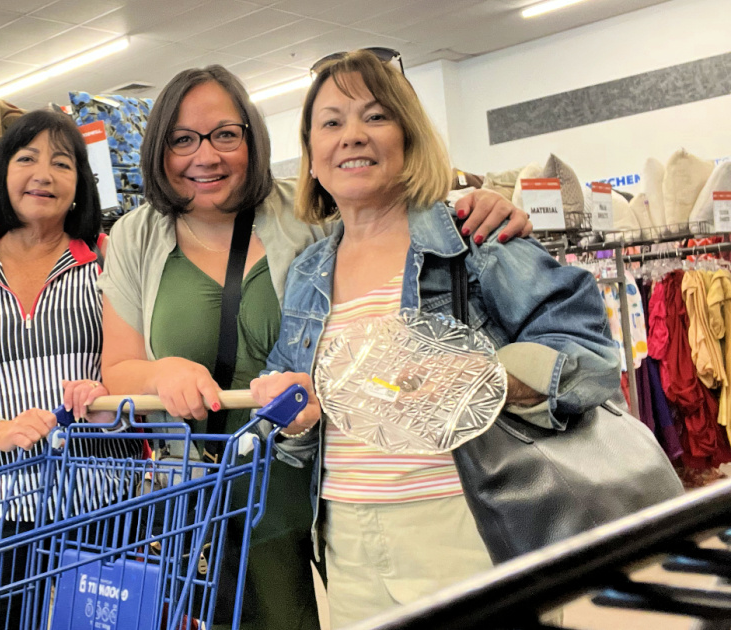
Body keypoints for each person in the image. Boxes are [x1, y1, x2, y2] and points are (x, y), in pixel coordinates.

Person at [91, 62, 534, 629]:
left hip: (328, 475)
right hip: (213, 489)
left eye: (226, 134)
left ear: (253, 138)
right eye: (182, 139)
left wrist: (480, 209)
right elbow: (120, 368)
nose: (205, 156)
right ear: (159, 150)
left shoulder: (307, 210)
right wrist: (162, 373)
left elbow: (387, 225)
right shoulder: (135, 235)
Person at [248, 50, 620, 627]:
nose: (352, 136)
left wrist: (482, 379)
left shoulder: (473, 239)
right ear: (313, 158)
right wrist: (293, 415)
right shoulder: (307, 271)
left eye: (375, 117)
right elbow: (301, 425)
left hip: (464, 521)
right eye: (331, 122)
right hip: (346, 536)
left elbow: (590, 352)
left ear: (409, 139)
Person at [0, 108, 136, 630]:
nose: (44, 174)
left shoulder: (109, 258)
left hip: (102, 503)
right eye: (27, 158)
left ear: (80, 183)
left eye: (62, 163)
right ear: (2, 174)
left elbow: (134, 366)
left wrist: (105, 393)